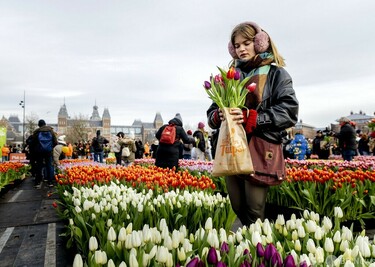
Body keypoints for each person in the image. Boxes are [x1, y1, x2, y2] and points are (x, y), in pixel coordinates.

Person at [206, 21, 298, 226]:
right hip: (231, 149)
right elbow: (211, 113)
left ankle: (259, 252)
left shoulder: (276, 74)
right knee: (237, 206)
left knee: (255, 208)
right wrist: (218, 116)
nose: (241, 49)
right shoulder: (230, 78)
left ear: (259, 43)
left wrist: (253, 118)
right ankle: (251, 249)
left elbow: (289, 111)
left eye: (246, 43)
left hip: (260, 147)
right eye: (237, 45)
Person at [31, 119, 58, 188]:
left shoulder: (37, 132)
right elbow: (55, 142)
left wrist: (36, 149)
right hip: (48, 151)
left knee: (39, 166)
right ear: (45, 124)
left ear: (39, 125)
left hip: (39, 152)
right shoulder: (51, 131)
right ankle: (50, 181)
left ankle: (38, 181)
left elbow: (33, 143)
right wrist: (50, 147)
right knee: (49, 166)